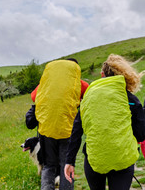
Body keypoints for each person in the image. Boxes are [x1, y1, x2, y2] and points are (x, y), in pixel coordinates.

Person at [64, 54, 145, 190]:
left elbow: (77, 131)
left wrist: (70, 160)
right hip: (123, 159)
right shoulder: (130, 99)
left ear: (102, 74)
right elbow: (141, 135)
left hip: (94, 160)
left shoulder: (88, 97)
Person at [27, 58, 89, 190]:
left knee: (49, 165)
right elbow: (89, 96)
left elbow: (33, 97)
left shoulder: (46, 84)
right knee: (66, 165)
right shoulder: (79, 84)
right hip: (68, 131)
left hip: (46, 130)